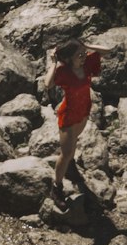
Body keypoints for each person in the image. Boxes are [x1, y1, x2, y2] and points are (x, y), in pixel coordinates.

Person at [43, 38, 108, 210]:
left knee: (73, 143)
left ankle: (70, 167)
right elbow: (48, 84)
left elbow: (108, 50)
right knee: (65, 153)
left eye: (83, 53)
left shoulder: (86, 65)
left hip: (84, 110)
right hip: (69, 115)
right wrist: (53, 63)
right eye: (79, 55)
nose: (84, 56)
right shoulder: (64, 71)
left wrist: (86, 46)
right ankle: (56, 188)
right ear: (70, 58)